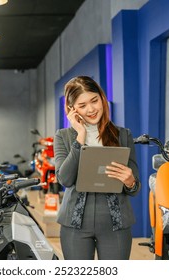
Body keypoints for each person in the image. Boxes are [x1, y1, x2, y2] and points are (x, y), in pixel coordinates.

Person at [54, 76, 140, 260]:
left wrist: (130, 180)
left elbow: (134, 188)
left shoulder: (123, 135)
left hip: (116, 223)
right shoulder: (63, 136)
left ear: (102, 98)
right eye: (82, 105)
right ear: (72, 109)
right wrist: (81, 136)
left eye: (94, 101)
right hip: (75, 224)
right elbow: (65, 179)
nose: (91, 109)